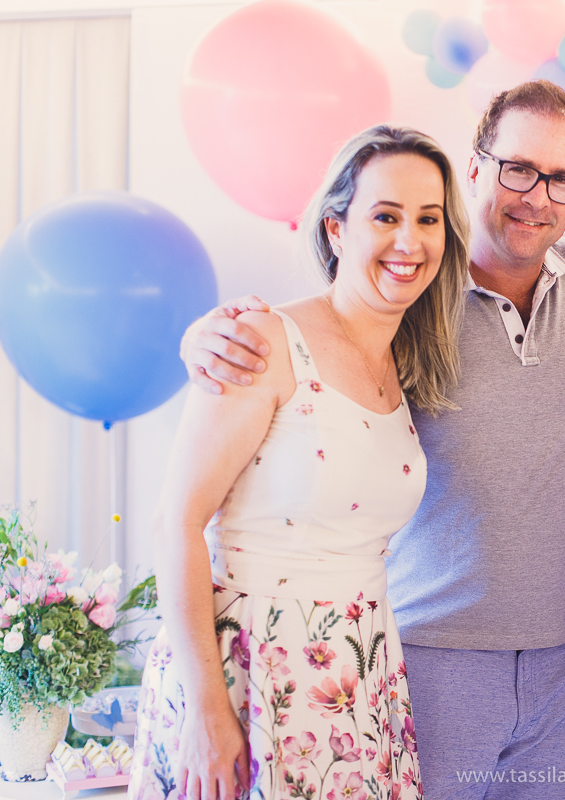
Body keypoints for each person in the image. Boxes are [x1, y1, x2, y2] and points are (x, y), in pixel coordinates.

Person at [179, 81, 565, 800]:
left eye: (561, 179)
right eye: (517, 168)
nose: (536, 196)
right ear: (476, 165)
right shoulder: (410, 288)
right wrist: (200, 338)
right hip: (430, 650)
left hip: (564, 652)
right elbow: (316, 340)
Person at [130, 125, 470, 800]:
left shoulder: (407, 361)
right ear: (337, 228)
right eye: (386, 216)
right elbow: (177, 522)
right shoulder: (261, 341)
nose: (410, 241)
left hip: (357, 674)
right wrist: (207, 708)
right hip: (248, 673)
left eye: (428, 219)